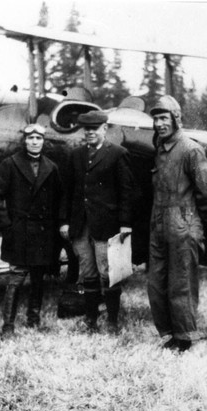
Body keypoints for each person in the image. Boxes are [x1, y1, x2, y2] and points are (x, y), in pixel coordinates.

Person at [148, 95, 207, 352]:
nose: (159, 123)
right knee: (156, 283)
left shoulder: (191, 149)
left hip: (183, 224)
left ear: (176, 119)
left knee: (181, 282)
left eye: (164, 117)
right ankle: (169, 333)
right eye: (156, 118)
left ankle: (185, 337)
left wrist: (202, 226)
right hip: (159, 223)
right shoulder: (160, 149)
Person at [60, 110, 134, 333]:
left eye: (95, 128)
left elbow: (127, 192)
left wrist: (125, 223)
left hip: (106, 225)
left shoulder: (118, 154)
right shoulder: (76, 155)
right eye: (87, 128)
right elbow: (68, 190)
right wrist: (65, 221)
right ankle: (91, 318)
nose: (90, 132)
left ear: (105, 128)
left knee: (107, 273)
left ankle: (112, 320)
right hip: (80, 226)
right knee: (88, 273)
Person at [0, 123, 62, 336]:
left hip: (43, 232)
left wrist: (55, 228)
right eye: (31, 138)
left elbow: (58, 199)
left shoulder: (51, 167)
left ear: (44, 141)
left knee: (38, 277)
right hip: (19, 231)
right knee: (16, 277)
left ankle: (33, 319)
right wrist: (6, 226)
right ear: (25, 140)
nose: (35, 142)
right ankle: (8, 326)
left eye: (39, 138)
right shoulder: (9, 164)